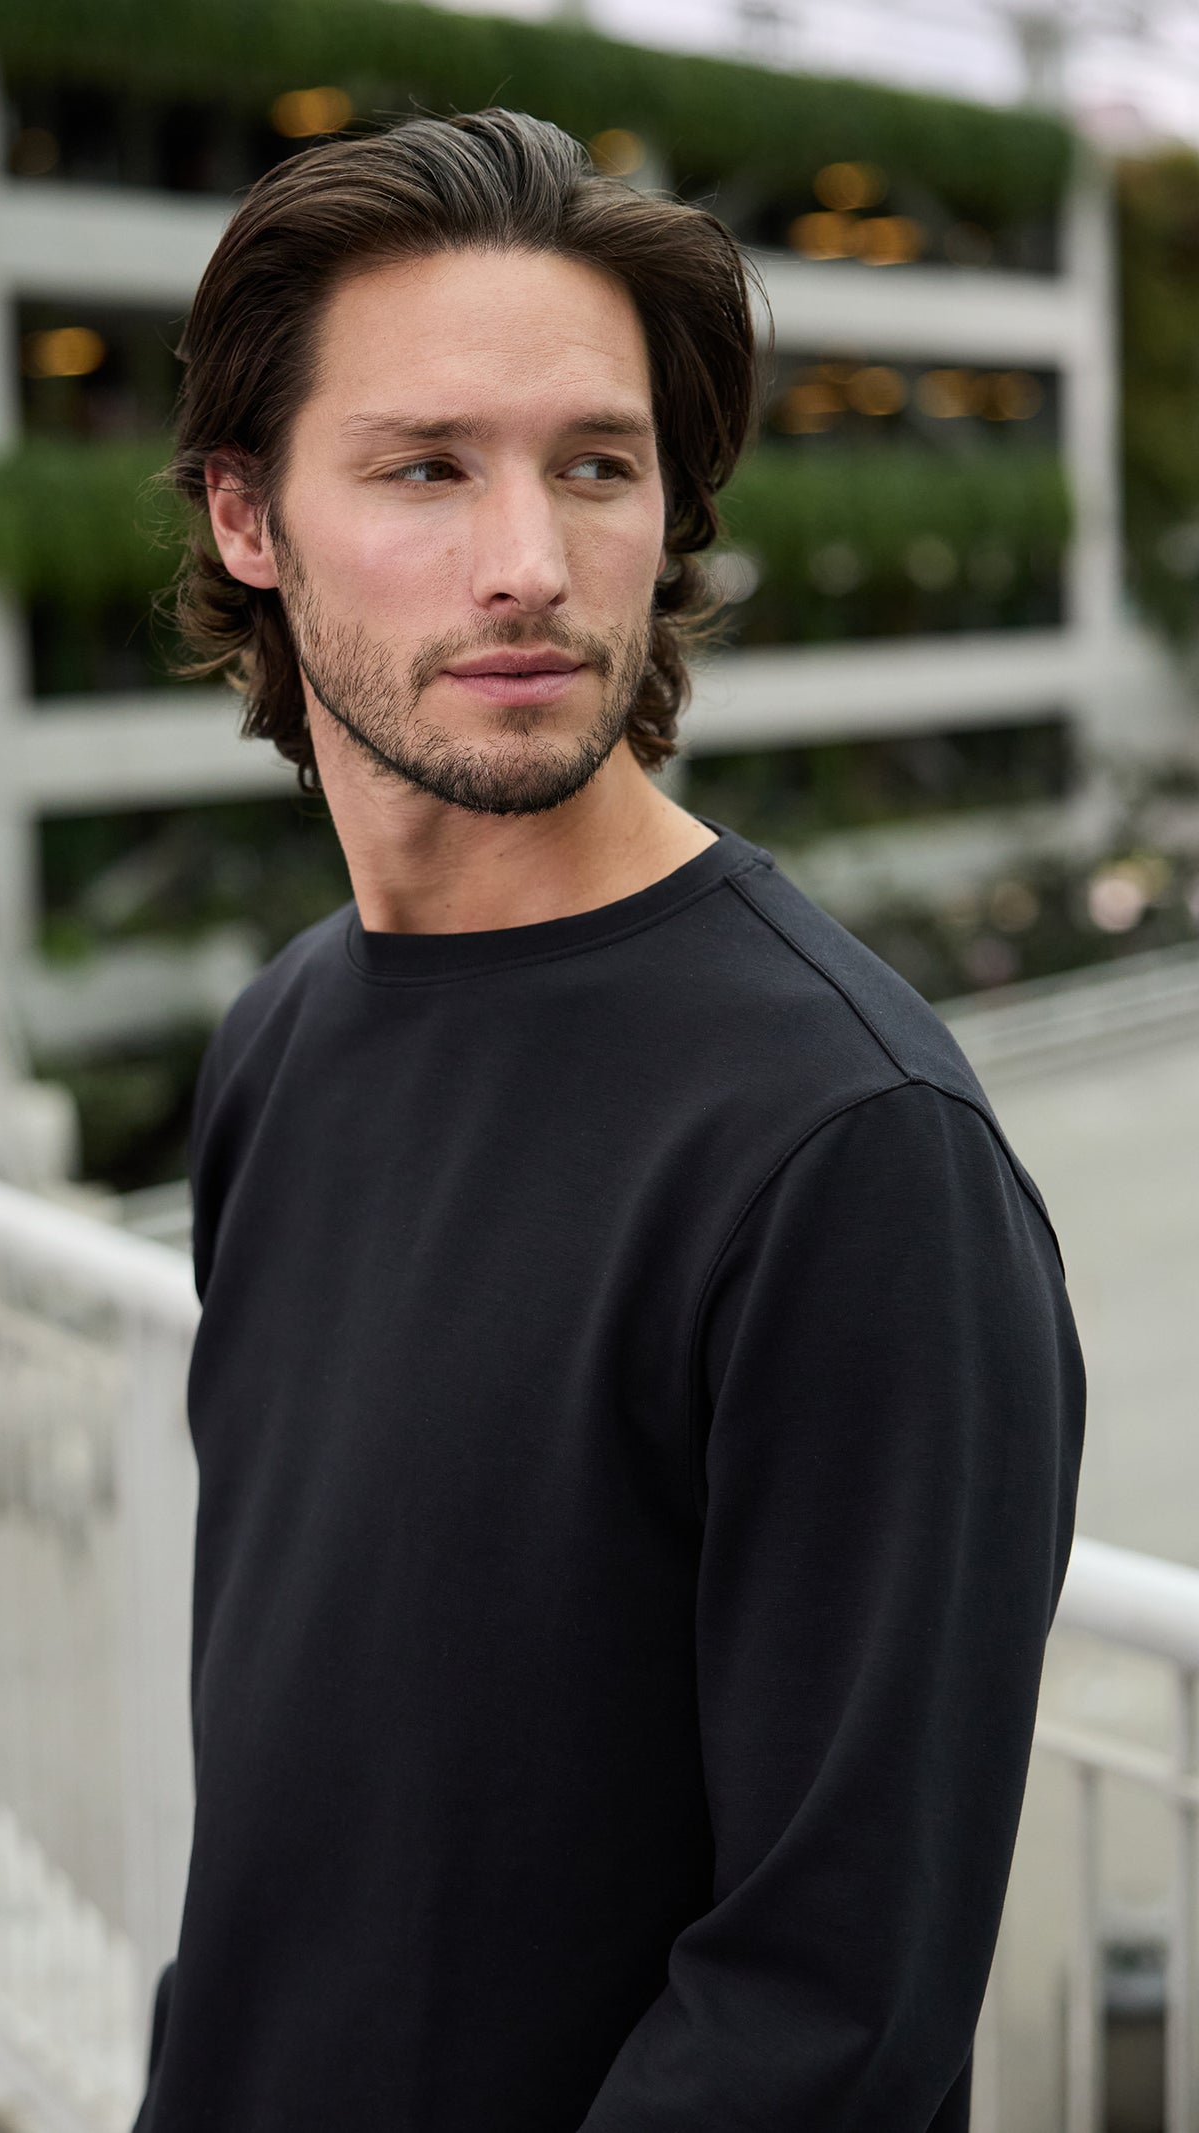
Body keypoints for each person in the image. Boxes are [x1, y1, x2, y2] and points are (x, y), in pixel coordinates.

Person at [134, 109, 1085, 2133]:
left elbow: (826, 2014)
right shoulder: (285, 1039)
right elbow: (302, 1812)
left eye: (594, 466)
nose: (528, 563)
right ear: (244, 518)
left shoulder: (848, 1144)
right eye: (420, 468)